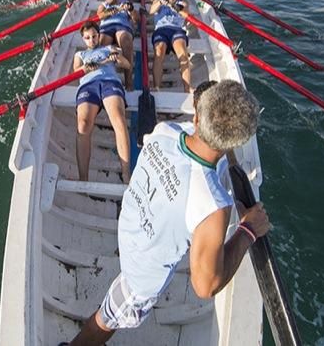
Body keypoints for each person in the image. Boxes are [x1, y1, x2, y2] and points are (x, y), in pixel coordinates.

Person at [62, 80, 270, 346]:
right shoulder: (214, 207)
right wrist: (248, 230)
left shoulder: (164, 132)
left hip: (129, 230)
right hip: (141, 276)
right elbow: (205, 286)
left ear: (196, 116)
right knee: (108, 318)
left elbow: (194, 160)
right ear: (236, 142)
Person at [73, 21, 132, 184]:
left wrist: (117, 58)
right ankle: (83, 179)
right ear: (83, 39)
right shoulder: (80, 55)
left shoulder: (110, 49)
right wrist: (85, 68)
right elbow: (75, 72)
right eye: (87, 38)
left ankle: (126, 175)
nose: (91, 40)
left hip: (109, 82)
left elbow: (127, 65)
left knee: (119, 120)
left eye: (94, 36)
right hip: (88, 86)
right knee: (83, 124)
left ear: (99, 35)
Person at [150, 0, 191, 92]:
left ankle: (187, 88)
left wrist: (178, 8)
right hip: (161, 30)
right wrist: (160, 3)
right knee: (159, 52)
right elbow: (151, 11)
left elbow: (187, 15)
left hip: (177, 30)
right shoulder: (159, 0)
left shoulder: (183, 3)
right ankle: (157, 87)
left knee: (183, 55)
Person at [97, 0, 138, 90]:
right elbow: (99, 16)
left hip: (122, 26)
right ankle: (103, 79)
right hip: (107, 28)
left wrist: (131, 10)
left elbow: (136, 20)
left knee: (126, 42)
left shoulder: (125, 4)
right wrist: (108, 13)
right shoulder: (103, 5)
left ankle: (129, 83)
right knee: (102, 45)